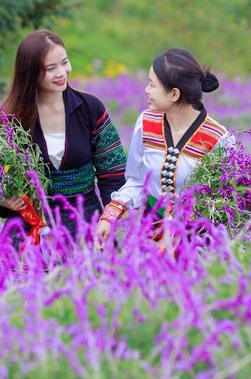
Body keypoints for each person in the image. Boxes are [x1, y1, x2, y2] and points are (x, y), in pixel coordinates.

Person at [0, 29, 127, 243]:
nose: (61, 72)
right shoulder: (11, 118)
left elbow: (113, 170)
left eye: (64, 62)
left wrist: (109, 217)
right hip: (31, 225)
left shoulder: (89, 108)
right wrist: (4, 199)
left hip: (85, 220)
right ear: (30, 73)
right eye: (51, 68)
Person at [96, 48, 230, 245]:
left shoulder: (218, 140)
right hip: (149, 232)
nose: (146, 90)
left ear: (174, 94)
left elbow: (223, 202)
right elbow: (137, 181)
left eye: (152, 85)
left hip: (196, 240)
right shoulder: (146, 123)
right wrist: (110, 215)